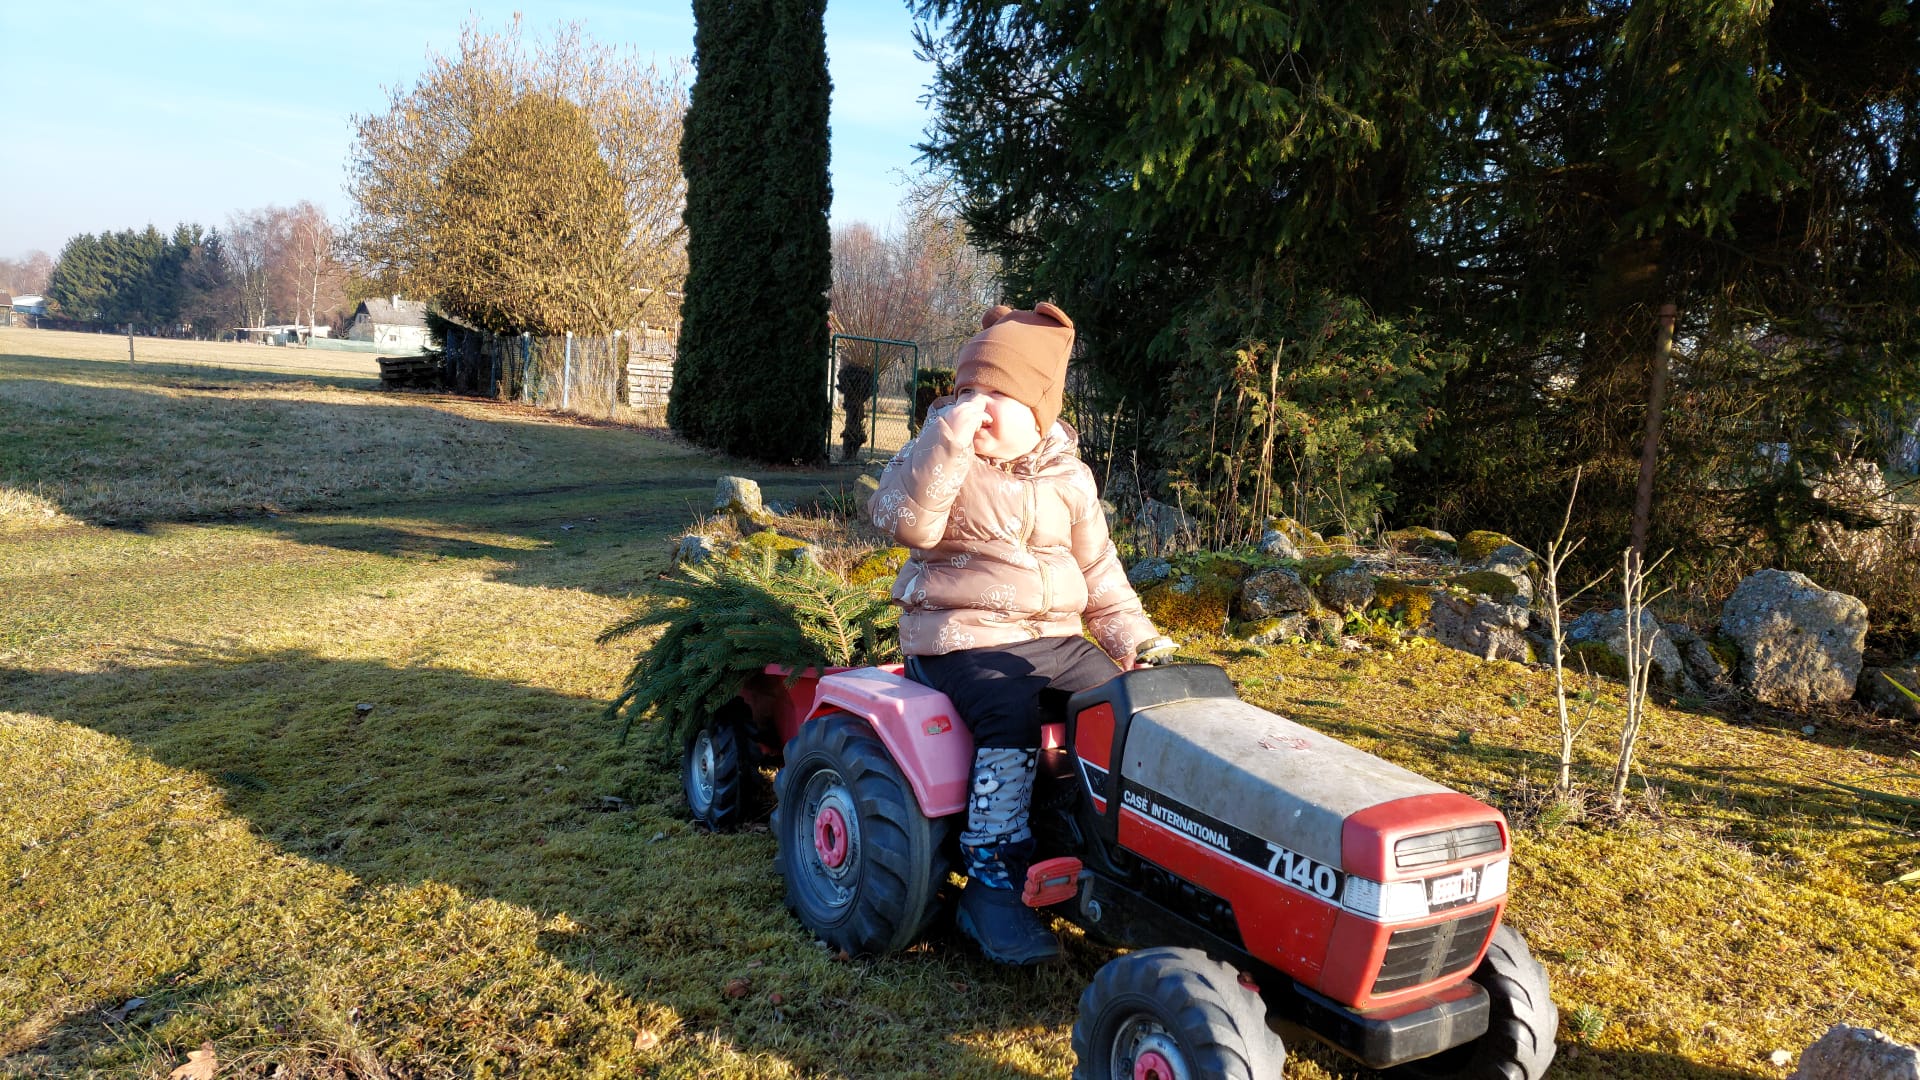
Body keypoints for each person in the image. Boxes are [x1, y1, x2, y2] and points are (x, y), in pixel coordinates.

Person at [868, 301, 1173, 964]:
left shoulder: (1071, 477)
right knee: (1008, 714)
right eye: (966, 391)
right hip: (960, 639)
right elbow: (905, 521)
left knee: (1121, 707)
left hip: (1056, 642)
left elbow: (1099, 571)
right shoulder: (936, 454)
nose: (975, 407)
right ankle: (992, 878)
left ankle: (1100, 838)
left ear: (1038, 412)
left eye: (996, 395)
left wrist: (1136, 641)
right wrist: (944, 445)